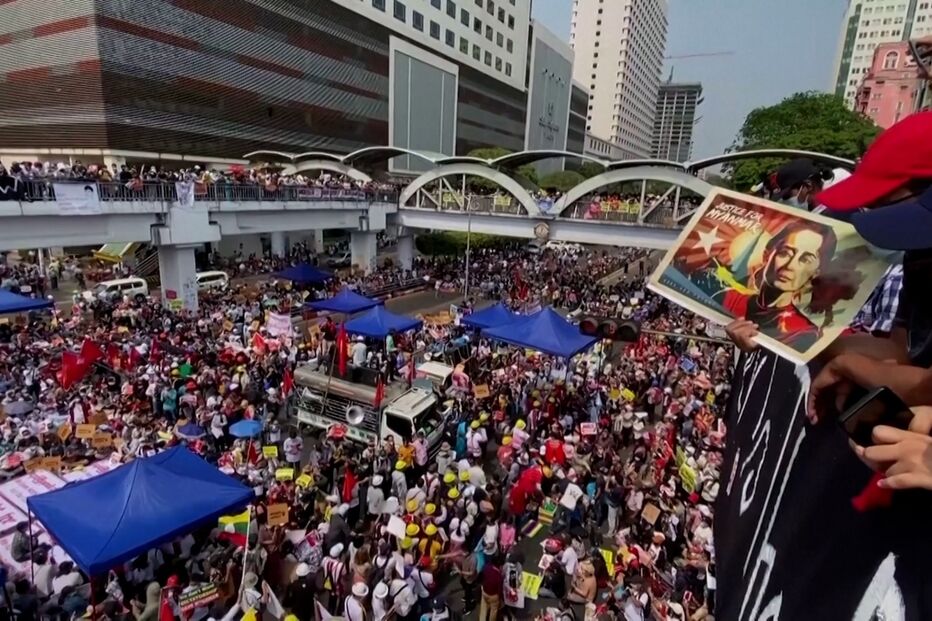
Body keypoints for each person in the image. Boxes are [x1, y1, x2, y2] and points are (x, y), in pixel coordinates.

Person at [720, 220, 836, 351]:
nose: (790, 266)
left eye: (805, 260)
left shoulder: (803, 333)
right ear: (766, 255)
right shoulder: (730, 299)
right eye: (785, 253)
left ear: (816, 273)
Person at [478, 553, 503, 621]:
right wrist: (500, 598)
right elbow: (499, 590)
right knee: (493, 611)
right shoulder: (499, 577)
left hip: (484, 591)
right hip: (493, 596)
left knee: (484, 608)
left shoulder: (487, 567)